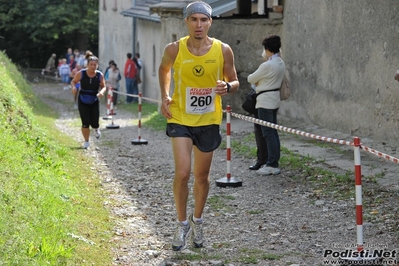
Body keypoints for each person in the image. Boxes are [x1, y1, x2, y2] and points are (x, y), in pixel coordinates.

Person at [158, 1, 239, 251]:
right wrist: (164, 95)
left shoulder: (223, 50)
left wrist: (227, 87)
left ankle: (198, 220)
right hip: (181, 116)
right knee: (182, 173)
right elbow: (164, 69)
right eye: (194, 19)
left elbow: (234, 81)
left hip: (208, 120)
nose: (199, 25)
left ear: (210, 22)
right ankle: (181, 224)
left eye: (203, 20)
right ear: (187, 22)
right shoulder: (174, 49)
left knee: (201, 177)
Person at [247, 35, 285, 175]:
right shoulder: (280, 62)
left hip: (264, 101)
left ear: (268, 49)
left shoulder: (267, 65)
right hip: (274, 99)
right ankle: (271, 160)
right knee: (272, 132)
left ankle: (271, 163)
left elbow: (251, 78)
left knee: (267, 133)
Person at [70, 52, 106, 149]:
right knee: (85, 122)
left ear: (97, 65)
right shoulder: (81, 73)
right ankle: (86, 141)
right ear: (87, 65)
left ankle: (96, 128)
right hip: (83, 99)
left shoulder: (99, 75)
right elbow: (73, 81)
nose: (93, 67)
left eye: (95, 65)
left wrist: (101, 92)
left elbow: (103, 86)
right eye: (91, 64)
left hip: (94, 99)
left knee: (94, 122)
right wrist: (73, 88)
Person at [248, 83, 268, 171]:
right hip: (271, 101)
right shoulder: (279, 68)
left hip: (263, 102)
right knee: (268, 134)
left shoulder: (266, 68)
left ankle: (263, 160)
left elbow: (251, 79)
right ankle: (268, 160)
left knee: (262, 134)